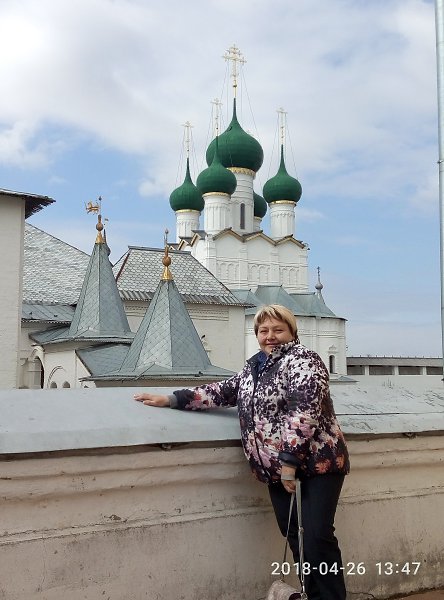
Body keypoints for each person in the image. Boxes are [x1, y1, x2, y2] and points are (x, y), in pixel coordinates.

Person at [134, 304, 349, 600]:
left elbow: (304, 411)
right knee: (296, 537)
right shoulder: (254, 368)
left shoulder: (303, 360)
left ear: (291, 332)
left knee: (317, 537)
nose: (270, 336)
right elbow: (221, 392)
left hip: (317, 463)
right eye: (263, 330)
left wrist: (289, 462)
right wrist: (172, 399)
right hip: (276, 470)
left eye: (278, 330)